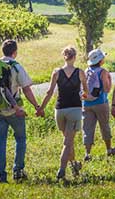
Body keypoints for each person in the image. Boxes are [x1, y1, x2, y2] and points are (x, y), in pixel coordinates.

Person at [0, 39, 42, 184]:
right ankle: (18, 171)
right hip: (14, 110)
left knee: (0, 141)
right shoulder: (16, 66)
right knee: (20, 139)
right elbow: (26, 89)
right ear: (15, 52)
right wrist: (36, 106)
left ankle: (1, 174)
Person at [38, 46, 89, 180]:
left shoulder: (56, 72)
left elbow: (49, 93)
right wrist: (82, 95)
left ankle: (74, 164)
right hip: (74, 109)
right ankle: (62, 169)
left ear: (64, 56)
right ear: (75, 57)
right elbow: (86, 93)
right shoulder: (80, 72)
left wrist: (41, 108)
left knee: (68, 141)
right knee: (67, 142)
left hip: (59, 110)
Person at [82, 48, 115, 161]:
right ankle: (108, 149)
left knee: (87, 128)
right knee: (104, 126)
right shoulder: (103, 72)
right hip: (101, 103)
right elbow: (107, 89)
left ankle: (87, 154)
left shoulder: (86, 71)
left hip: (86, 103)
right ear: (100, 60)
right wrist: (110, 80)